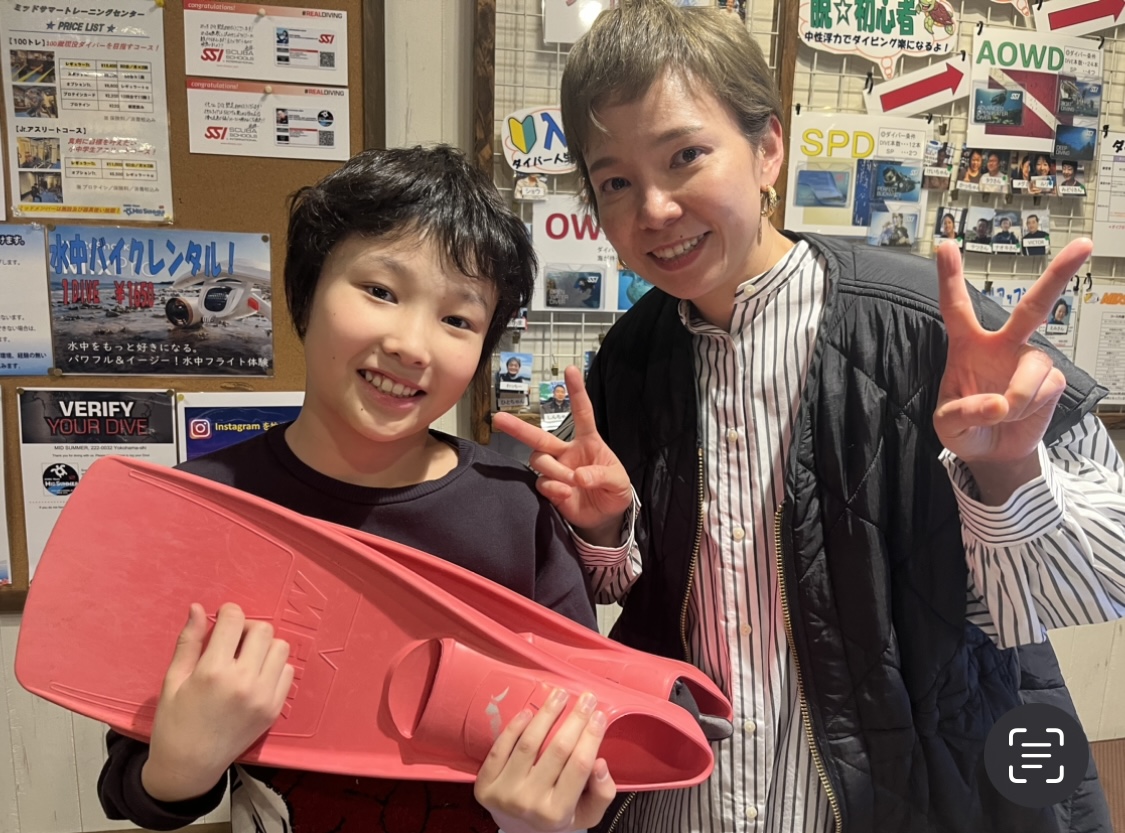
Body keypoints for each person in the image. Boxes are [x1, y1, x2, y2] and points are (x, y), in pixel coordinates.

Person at [492, 3, 1125, 832]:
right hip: (690, 795)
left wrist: (1006, 472)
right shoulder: (630, 358)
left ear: (767, 149)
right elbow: (627, 596)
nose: (653, 208)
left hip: (912, 791)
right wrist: (606, 532)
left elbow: (1100, 582)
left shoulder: (927, 325)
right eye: (614, 181)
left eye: (685, 156)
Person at [96, 146, 618, 833]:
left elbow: (589, 734)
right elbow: (131, 782)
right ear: (305, 293)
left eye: (458, 320)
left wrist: (551, 815)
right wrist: (183, 763)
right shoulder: (206, 506)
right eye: (380, 291)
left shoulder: (517, 510)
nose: (412, 344)